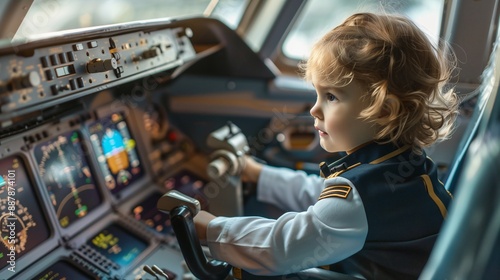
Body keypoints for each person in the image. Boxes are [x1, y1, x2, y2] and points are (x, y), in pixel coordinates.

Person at [194, 12, 458, 279]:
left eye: (331, 96)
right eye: (318, 94)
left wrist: (210, 228)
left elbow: (278, 249)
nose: (314, 109)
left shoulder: (362, 191)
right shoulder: (400, 162)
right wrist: (259, 174)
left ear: (384, 111)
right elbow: (323, 196)